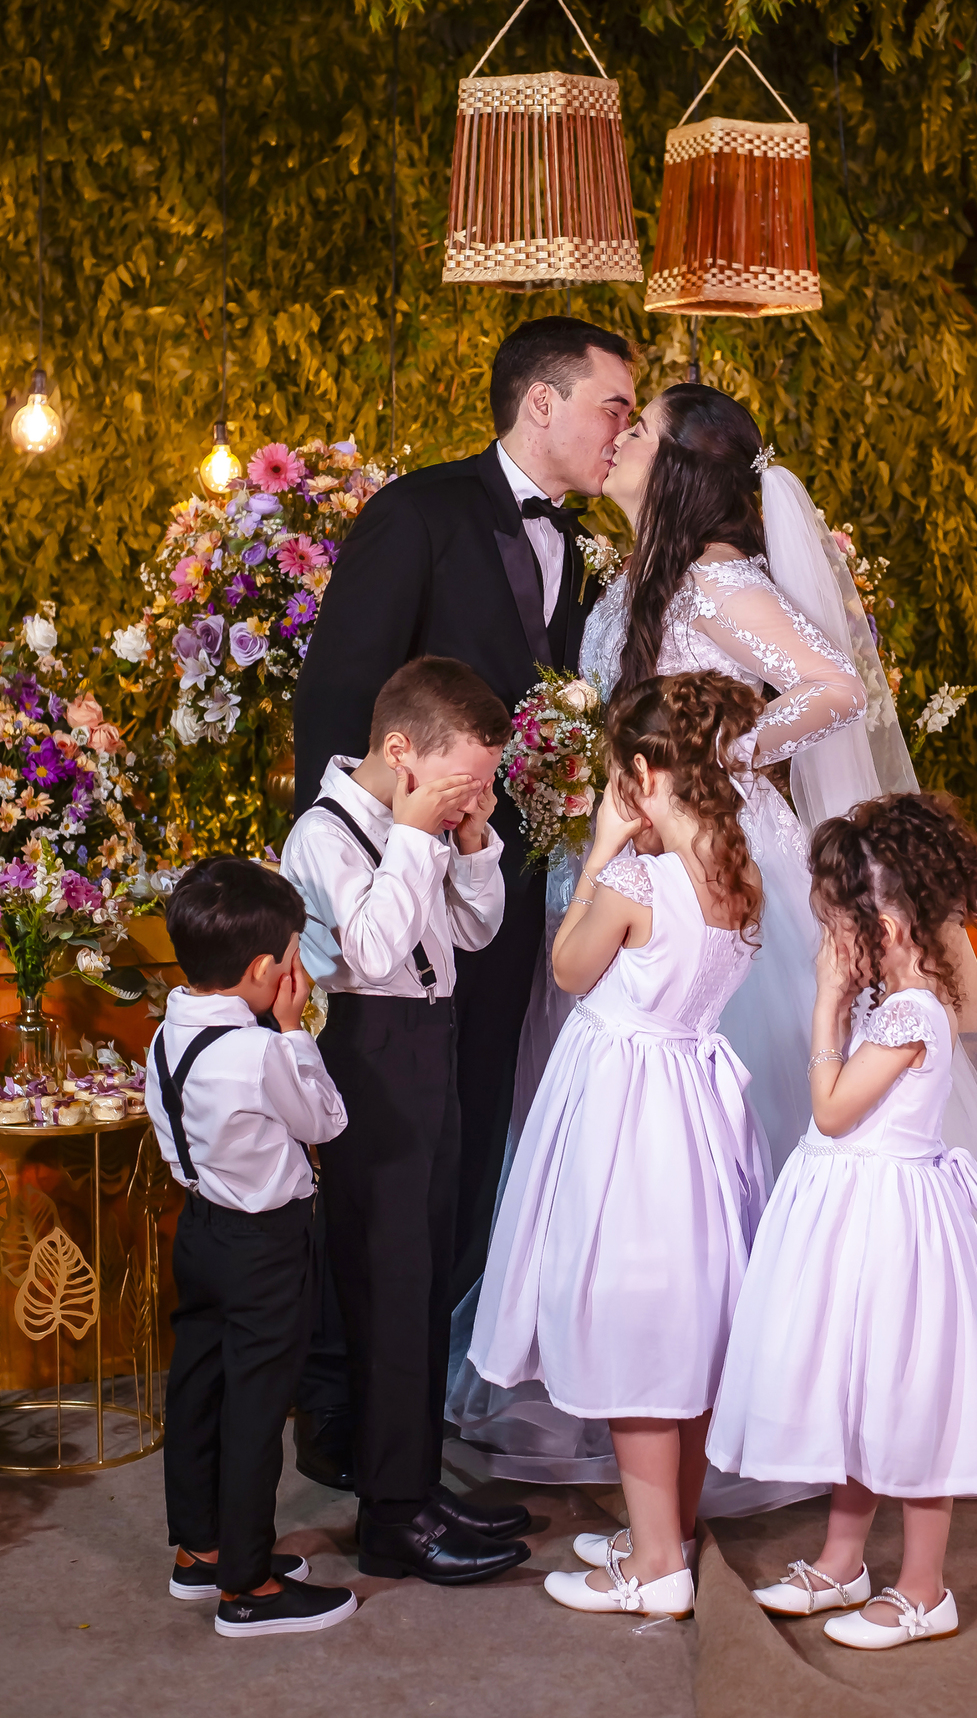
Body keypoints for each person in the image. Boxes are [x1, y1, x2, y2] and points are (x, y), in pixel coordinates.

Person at [455, 376, 977, 1518]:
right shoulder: (638, 583)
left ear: (686, 470)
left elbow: (836, 686)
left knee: (740, 1123)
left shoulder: (721, 582)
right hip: (629, 859)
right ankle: (645, 1372)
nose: (619, 441)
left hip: (709, 854)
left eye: (638, 430)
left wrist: (721, 757)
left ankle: (773, 1388)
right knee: (632, 1128)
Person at [294, 316, 636, 1311]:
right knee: (387, 1144)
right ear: (544, 401)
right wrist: (364, 864)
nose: (622, 428)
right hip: (398, 897)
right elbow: (338, 698)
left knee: (478, 1120)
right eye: (612, 405)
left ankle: (434, 1374)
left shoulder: (585, 545)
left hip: (516, 883)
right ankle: (346, 1401)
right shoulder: (419, 513)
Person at [469, 672, 772, 1620]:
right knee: (688, 1321)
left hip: (627, 1111)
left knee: (638, 1321)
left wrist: (602, 848)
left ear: (641, 772)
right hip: (695, 1103)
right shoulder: (735, 868)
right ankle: (666, 1534)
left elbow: (567, 969)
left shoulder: (637, 881)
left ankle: (653, 1569)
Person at [708, 794, 977, 1650]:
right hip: (855, 1218)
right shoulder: (899, 1000)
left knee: (906, 1398)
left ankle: (924, 1587)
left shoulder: (908, 1012)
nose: (828, 939)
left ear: (885, 918)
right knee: (855, 1388)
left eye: (837, 921)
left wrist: (827, 1004)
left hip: (891, 1228)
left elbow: (834, 1111)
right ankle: (845, 1561)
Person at [280, 656, 532, 1585]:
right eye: (468, 776)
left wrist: (469, 842)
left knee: (427, 1277)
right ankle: (391, 1517)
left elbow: (476, 931)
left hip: (434, 1045)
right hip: (370, 1051)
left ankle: (417, 1483)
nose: (480, 791)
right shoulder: (326, 833)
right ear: (401, 752)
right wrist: (420, 841)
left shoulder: (426, 823)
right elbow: (373, 948)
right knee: (387, 1284)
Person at [147, 857, 357, 1638]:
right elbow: (325, 1122)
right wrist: (296, 1030)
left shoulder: (166, 1035)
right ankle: (249, 1585)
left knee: (198, 1390)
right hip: (265, 1247)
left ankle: (199, 1552)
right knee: (257, 1409)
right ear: (269, 969)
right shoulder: (261, 1050)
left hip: (200, 1231)